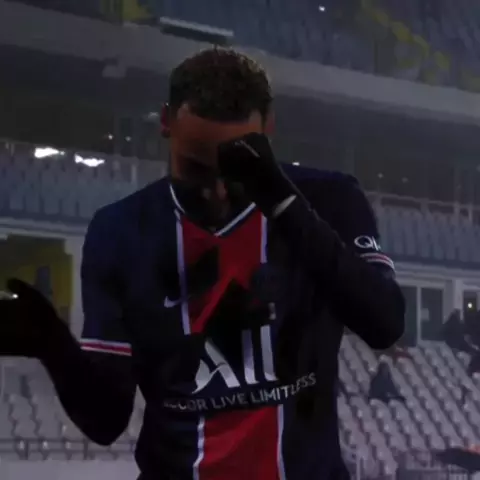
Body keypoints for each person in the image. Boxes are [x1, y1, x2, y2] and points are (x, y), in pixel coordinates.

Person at [0, 48, 405, 480]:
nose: (217, 192)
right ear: (165, 122)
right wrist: (51, 343)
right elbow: (106, 421)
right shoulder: (120, 230)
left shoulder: (329, 199)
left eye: (236, 170)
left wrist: (282, 202)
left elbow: (384, 323)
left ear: (268, 127)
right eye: (195, 169)